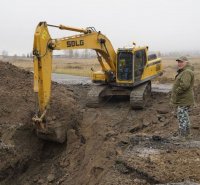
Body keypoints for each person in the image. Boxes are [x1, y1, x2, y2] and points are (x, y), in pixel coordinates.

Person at [171, 56, 195, 138]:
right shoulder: (184, 71)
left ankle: (182, 136)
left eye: (181, 62)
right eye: (178, 62)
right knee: (184, 116)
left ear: (186, 62)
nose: (179, 64)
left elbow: (185, 85)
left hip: (184, 99)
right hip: (184, 98)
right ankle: (188, 135)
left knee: (181, 116)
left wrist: (177, 91)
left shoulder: (186, 72)